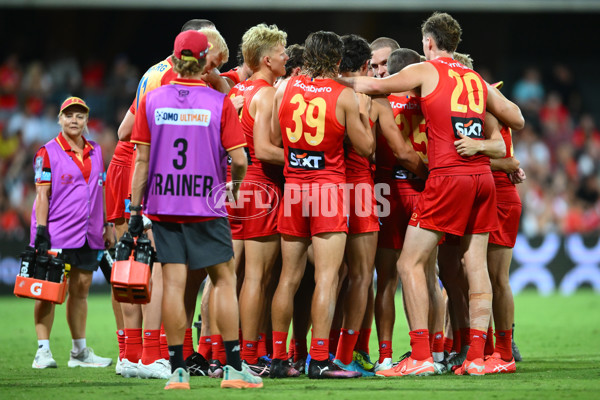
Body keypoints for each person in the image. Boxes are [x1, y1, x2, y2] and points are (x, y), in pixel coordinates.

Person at [341, 12, 524, 377]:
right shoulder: (474, 79)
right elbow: (516, 118)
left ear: (428, 42)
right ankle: (479, 357)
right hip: (482, 180)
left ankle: (422, 354)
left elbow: (375, 87)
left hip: (447, 179)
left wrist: (331, 79)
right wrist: (479, 142)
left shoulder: (428, 70)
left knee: (410, 263)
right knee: (475, 266)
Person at [129, 30, 260, 390]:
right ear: (206, 61)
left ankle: (177, 372)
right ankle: (233, 369)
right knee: (224, 281)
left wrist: (134, 209)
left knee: (172, 284)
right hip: (206, 204)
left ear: (175, 58)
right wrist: (230, 189)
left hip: (163, 205)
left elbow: (140, 161)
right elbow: (239, 159)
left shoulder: (151, 101)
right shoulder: (220, 101)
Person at [270, 30, 374, 379]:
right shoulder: (344, 96)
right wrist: (361, 115)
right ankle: (319, 360)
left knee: (288, 278)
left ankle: (280, 358)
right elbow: (366, 148)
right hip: (328, 190)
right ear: (335, 59)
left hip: (294, 189)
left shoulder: (284, 89)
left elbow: (274, 137)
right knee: (327, 279)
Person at [31, 96, 114, 369]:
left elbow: (100, 191)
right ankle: (42, 351)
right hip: (57, 232)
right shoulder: (47, 152)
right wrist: (41, 231)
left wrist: (107, 224)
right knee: (49, 291)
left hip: (89, 234)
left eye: (80, 116)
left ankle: (79, 352)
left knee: (81, 289)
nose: (74, 120)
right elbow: (41, 195)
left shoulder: (96, 150)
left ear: (87, 120)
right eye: (69, 115)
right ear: (60, 119)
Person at [234, 23, 288, 377]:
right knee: (257, 277)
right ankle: (250, 358)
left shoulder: (236, 91)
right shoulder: (266, 94)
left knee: (229, 278)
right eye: (283, 51)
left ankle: (223, 351)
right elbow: (265, 150)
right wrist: (305, 156)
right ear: (266, 59)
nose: (287, 56)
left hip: (232, 187)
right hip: (260, 188)